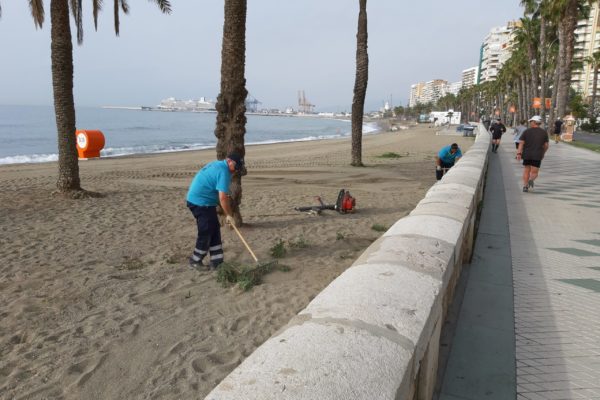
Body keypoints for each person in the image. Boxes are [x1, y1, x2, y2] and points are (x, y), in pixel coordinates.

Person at [186, 153, 244, 270]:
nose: (235, 171)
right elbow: (222, 198)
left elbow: (219, 194)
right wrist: (229, 215)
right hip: (200, 202)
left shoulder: (218, 165)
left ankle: (217, 261)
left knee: (214, 229)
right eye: (236, 167)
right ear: (229, 161)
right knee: (206, 231)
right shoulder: (224, 172)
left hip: (205, 202)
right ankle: (195, 261)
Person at [517, 116, 549, 193]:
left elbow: (521, 144)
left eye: (531, 121)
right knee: (534, 172)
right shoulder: (544, 132)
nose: (530, 123)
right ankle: (531, 180)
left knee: (526, 170)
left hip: (527, 154)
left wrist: (518, 153)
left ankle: (525, 186)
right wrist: (543, 153)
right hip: (537, 155)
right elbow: (546, 146)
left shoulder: (526, 131)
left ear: (534, 122)